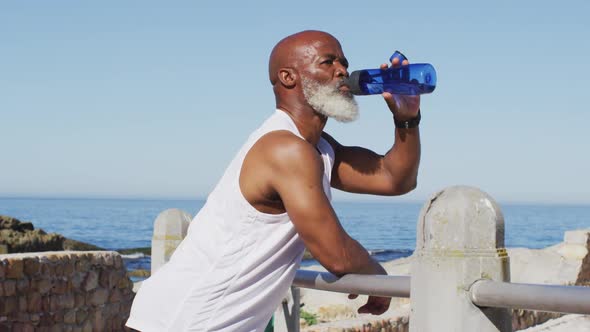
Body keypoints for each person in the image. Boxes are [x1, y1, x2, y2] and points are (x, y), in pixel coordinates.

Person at [126, 30, 421, 332]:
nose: (342, 71)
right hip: (182, 322)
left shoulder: (316, 148)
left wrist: (406, 117)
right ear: (288, 77)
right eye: (327, 62)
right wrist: (379, 277)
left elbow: (394, 179)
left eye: (344, 62)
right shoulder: (285, 149)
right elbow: (337, 255)